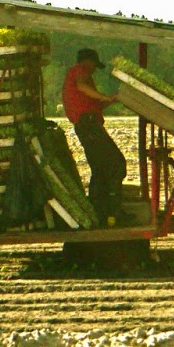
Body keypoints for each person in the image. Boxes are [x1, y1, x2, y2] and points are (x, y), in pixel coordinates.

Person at [62, 47, 126, 226]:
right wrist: (104, 97)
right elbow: (82, 87)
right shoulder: (79, 72)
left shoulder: (82, 80)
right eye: (94, 66)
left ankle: (102, 212)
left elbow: (93, 105)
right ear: (87, 61)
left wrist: (108, 101)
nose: (94, 70)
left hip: (88, 124)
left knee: (100, 168)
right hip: (88, 126)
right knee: (116, 164)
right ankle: (113, 212)